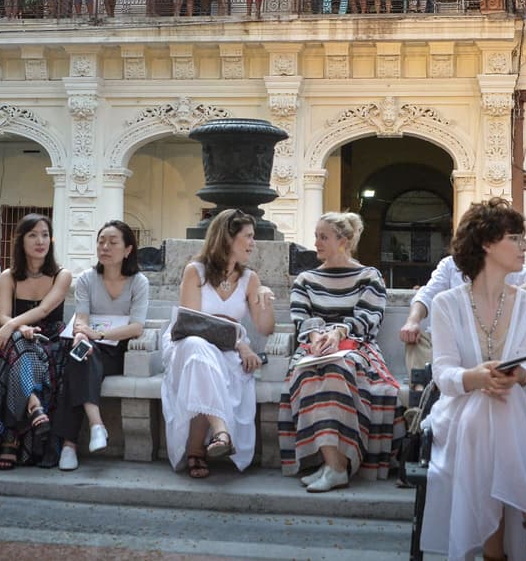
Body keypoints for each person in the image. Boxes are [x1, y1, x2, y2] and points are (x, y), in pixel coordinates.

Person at [421, 198, 526, 561]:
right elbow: (444, 375)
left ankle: (493, 553)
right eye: (515, 238)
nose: (525, 246)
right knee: (487, 404)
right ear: (486, 243)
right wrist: (476, 376)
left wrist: (516, 375)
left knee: (501, 400)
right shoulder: (447, 304)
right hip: (458, 417)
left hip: (519, 418)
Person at [278, 212, 402, 493]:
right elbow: (301, 318)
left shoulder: (369, 276)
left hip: (357, 346)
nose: (316, 242)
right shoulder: (306, 279)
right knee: (307, 372)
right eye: (316, 236)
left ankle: (335, 468)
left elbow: (369, 319)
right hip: (314, 346)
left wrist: (337, 334)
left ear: (343, 241)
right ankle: (331, 463)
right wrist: (316, 335)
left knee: (338, 370)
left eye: (323, 237)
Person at [162, 210, 275, 479]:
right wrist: (239, 344)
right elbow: (194, 325)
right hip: (186, 345)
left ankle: (196, 450)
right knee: (199, 352)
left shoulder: (250, 279)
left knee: (204, 365)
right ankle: (220, 430)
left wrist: (265, 303)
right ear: (227, 238)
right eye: (248, 236)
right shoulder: (196, 272)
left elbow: (264, 328)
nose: (253, 242)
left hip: (224, 352)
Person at [0, 213, 72, 470]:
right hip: (18, 340)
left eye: (44, 235)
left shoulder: (62, 275)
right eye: (32, 235)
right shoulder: (8, 276)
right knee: (20, 344)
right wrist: (18, 327)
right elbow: (4, 313)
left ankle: (10, 440)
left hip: (50, 340)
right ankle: (34, 407)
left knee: (17, 345)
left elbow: (43, 312)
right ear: (20, 240)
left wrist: (12, 325)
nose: (40, 241)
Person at [52, 220, 150, 471]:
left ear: (128, 249)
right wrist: (81, 333)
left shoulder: (139, 282)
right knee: (78, 357)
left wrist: (97, 334)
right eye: (101, 241)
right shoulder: (87, 278)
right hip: (88, 345)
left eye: (112, 242)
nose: (105, 247)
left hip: (117, 350)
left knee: (77, 363)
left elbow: (137, 326)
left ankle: (69, 444)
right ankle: (96, 426)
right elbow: (81, 316)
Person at [401, 254, 526, 381]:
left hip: (489, 342)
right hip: (451, 342)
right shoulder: (450, 265)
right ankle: (422, 397)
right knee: (416, 341)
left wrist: (509, 294)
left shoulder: (508, 267)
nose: (523, 247)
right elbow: (427, 294)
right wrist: (412, 321)